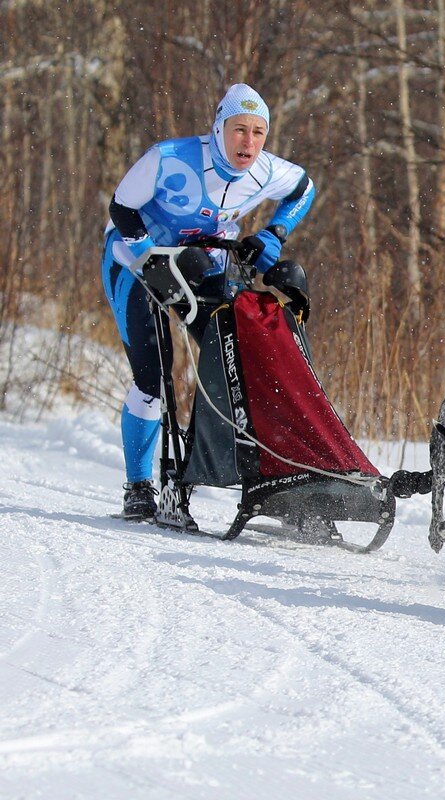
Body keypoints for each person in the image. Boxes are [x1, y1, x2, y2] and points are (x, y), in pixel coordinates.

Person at [101, 84, 316, 520]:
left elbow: (305, 189)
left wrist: (274, 233)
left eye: (258, 132)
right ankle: (139, 486)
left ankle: (268, 480)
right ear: (219, 129)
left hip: (203, 266)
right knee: (153, 375)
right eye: (239, 130)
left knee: (239, 360)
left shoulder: (267, 170)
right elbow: (122, 206)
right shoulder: (170, 158)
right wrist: (145, 255)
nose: (249, 143)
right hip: (134, 262)